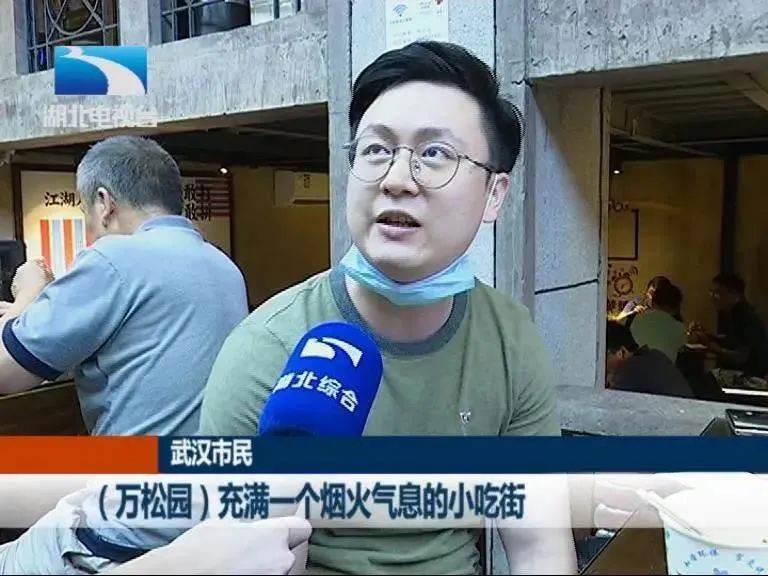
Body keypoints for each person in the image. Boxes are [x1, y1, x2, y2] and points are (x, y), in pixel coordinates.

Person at [198, 41, 576, 575]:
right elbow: (244, 557)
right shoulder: (267, 349)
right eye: (376, 150)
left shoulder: (510, 340)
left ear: (494, 194)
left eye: (435, 154)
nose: (396, 179)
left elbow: (539, 546)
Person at [0, 136, 248, 573]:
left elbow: (7, 373)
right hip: (209, 516)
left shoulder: (114, 258)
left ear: (104, 203)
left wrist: (27, 297)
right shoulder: (223, 266)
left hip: (131, 531)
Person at [689, 273, 768, 378]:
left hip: (747, 378)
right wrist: (706, 336)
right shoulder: (728, 313)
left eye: (717, 292)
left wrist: (713, 347)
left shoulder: (747, 317)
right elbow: (729, 340)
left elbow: (741, 357)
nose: (712, 296)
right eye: (710, 291)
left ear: (734, 294)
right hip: (733, 373)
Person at [606, 321, 694, 399]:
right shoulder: (652, 357)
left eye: (605, 356)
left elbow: (611, 403)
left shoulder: (633, 368)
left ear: (620, 352)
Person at [629, 282, 686, 363]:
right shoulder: (678, 327)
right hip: (665, 369)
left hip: (638, 367)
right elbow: (682, 348)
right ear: (677, 307)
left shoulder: (638, 319)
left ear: (654, 302)